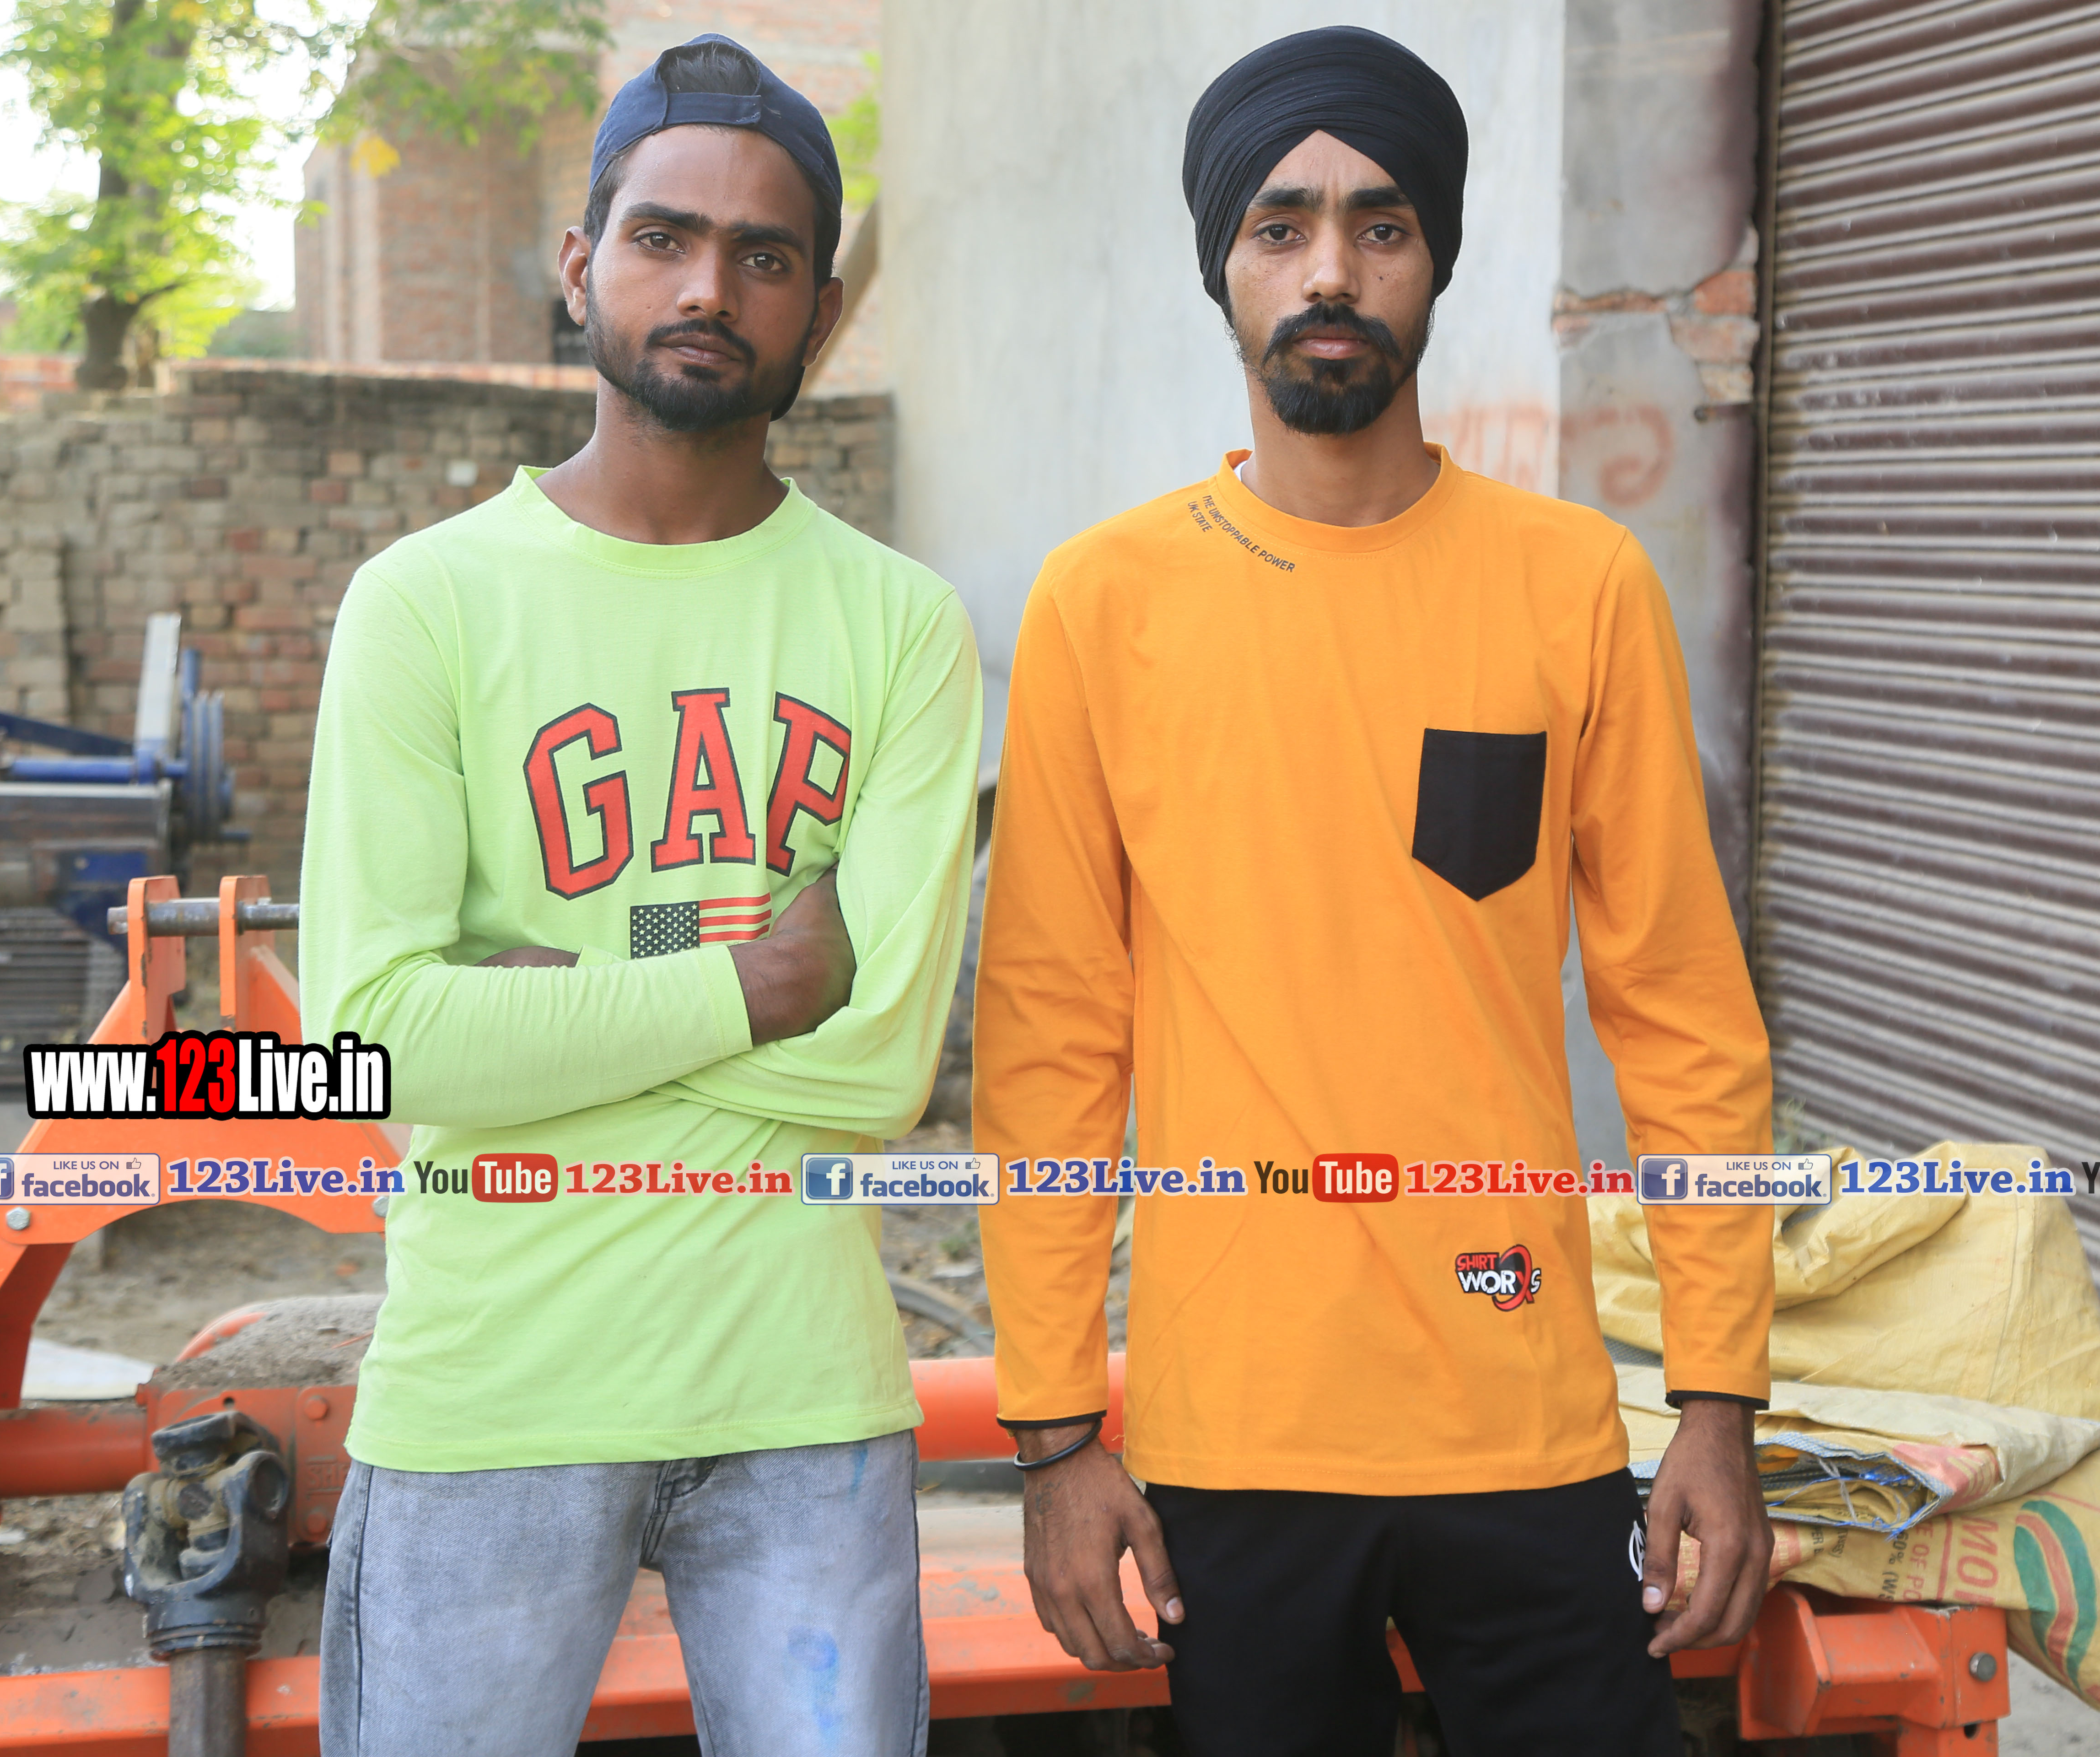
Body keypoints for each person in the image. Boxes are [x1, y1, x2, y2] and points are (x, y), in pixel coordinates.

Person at [972, 25, 1774, 1757]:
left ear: (1437, 259)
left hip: (1525, 1416)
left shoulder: (1577, 586)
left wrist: (1719, 1400)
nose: (1330, 270)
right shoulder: (1104, 606)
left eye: (1381, 224)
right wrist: (1054, 1438)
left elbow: (1683, 1018)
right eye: (1281, 226)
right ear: (1224, 265)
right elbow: (1049, 1045)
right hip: (1231, 1440)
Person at [300, 35, 978, 1757]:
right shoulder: (425, 605)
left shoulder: (901, 625)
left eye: (765, 256)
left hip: (802, 1404)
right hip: (489, 1394)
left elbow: (879, 1069)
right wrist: (749, 984)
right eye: (663, 237)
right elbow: (376, 1040)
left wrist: (533, 1017)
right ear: (579, 264)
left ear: (823, 313)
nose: (708, 289)